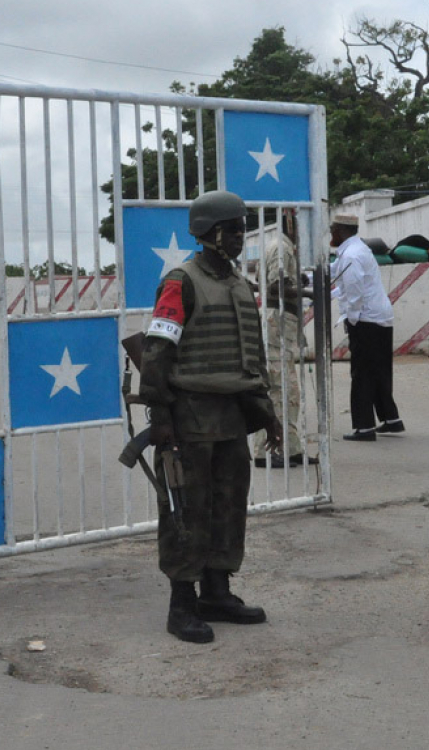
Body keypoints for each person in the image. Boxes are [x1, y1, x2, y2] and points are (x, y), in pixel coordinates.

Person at [139, 190, 282, 643]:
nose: (241, 236)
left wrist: (267, 412)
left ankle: (216, 592)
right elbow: (158, 351)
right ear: (211, 233)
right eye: (234, 229)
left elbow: (250, 358)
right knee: (186, 510)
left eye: (242, 228)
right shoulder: (180, 282)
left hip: (232, 415)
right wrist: (160, 416)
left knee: (228, 504)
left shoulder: (240, 284)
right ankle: (182, 602)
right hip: (190, 417)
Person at [329, 214, 402, 441]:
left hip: (366, 319)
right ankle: (391, 420)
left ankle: (364, 427)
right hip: (379, 316)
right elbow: (336, 274)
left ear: (340, 231)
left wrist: (352, 319)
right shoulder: (357, 249)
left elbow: (354, 290)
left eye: (332, 229)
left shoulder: (351, 254)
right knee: (379, 370)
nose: (330, 234)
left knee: (361, 373)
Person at [253, 208, 316, 468]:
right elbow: (276, 286)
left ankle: (291, 447)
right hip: (277, 321)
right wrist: (308, 292)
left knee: (289, 389)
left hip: (281, 322)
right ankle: (266, 451)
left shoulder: (280, 246)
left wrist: (297, 281)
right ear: (291, 224)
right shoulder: (282, 248)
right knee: (279, 388)